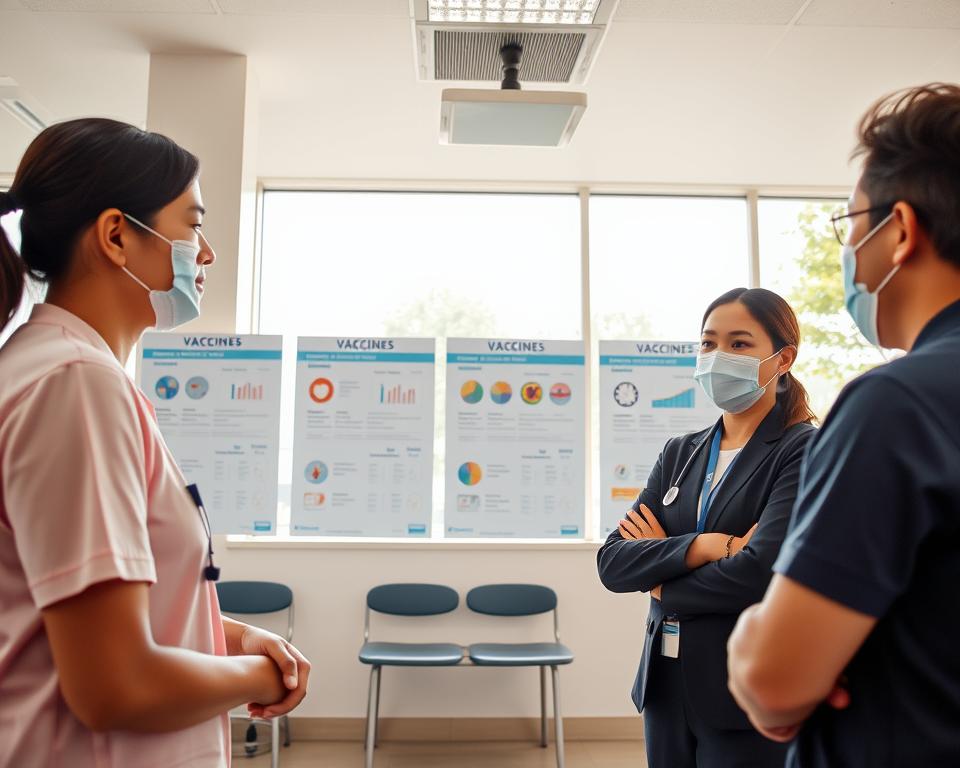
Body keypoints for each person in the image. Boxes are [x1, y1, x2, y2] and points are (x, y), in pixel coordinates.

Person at [0, 118, 311, 767]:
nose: (206, 253)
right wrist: (263, 679)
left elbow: (91, 614)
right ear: (117, 235)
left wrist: (235, 636)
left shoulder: (68, 371)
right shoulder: (74, 384)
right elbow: (118, 685)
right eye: (192, 224)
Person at [726, 83, 960, 767]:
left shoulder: (899, 406)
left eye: (850, 222)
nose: (849, 246)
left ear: (901, 231)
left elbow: (774, 679)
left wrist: (757, 643)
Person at [597, 287, 817, 768]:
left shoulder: (802, 450)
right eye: (709, 343)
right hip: (663, 685)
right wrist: (707, 547)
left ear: (783, 359)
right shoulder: (681, 451)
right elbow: (612, 563)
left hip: (741, 687)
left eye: (739, 344)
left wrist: (659, 581)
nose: (719, 357)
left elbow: (760, 574)